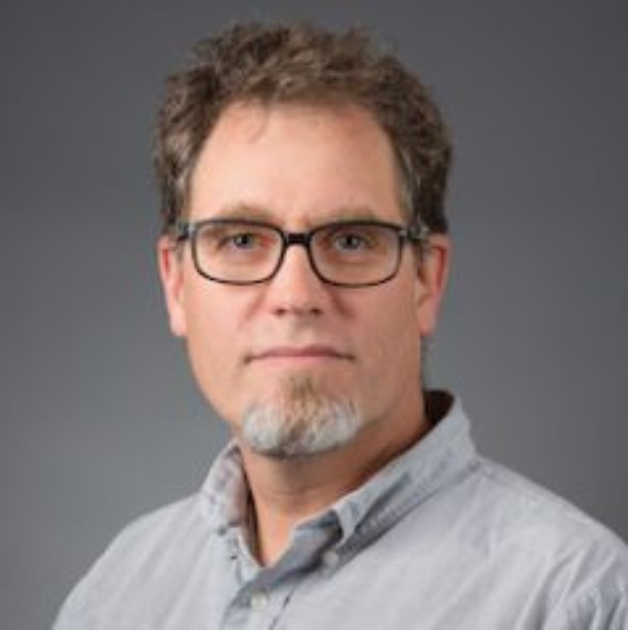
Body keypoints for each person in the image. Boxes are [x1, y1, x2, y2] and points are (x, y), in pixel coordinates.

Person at [53, 21, 628, 629]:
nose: (296, 294)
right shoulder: (117, 591)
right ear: (176, 284)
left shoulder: (577, 602)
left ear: (425, 281)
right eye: (242, 239)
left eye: (351, 240)